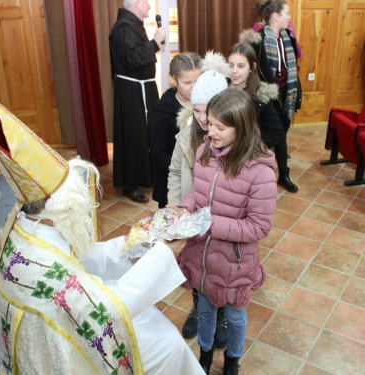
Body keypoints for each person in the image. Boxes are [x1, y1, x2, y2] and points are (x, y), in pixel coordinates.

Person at [0, 83, 205, 375]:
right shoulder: (47, 270)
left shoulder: (25, 224)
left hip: (57, 324)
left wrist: (138, 244)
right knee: (167, 344)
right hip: (61, 350)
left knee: (152, 322)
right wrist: (164, 254)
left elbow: (78, 259)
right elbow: (106, 314)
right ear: (61, 206)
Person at [177, 88, 277, 374]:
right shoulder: (203, 151)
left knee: (235, 315)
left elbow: (259, 226)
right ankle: (205, 354)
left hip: (235, 261)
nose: (211, 132)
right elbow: (197, 196)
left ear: (242, 128)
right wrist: (183, 210)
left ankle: (233, 358)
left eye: (221, 127)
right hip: (203, 255)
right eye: (209, 123)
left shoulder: (260, 173)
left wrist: (210, 224)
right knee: (205, 310)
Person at [167, 52, 230, 349]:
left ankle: (221, 316)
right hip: (191, 215)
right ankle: (198, 306)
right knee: (194, 267)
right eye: (198, 112)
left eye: (209, 112)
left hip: (222, 222)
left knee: (221, 269)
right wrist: (176, 208)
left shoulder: (229, 137)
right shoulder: (186, 135)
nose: (203, 119)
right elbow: (175, 173)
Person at [109, 0, 166, 203]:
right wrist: (154, 43)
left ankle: (143, 176)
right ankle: (130, 185)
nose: (150, 7)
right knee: (133, 135)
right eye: (147, 3)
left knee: (144, 134)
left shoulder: (133, 26)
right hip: (132, 90)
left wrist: (153, 44)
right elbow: (130, 59)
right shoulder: (123, 27)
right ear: (137, 3)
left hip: (142, 87)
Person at [240, 0, 300, 193]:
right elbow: (251, 70)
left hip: (285, 96)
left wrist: (296, 94)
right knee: (270, 136)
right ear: (276, 15)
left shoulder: (287, 37)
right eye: (287, 13)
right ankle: (258, 175)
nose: (289, 17)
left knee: (281, 136)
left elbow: (293, 68)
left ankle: (283, 175)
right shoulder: (257, 39)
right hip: (266, 97)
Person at [151, 52, 201, 208]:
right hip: (172, 184)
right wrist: (185, 173)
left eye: (198, 81)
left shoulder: (206, 105)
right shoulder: (162, 111)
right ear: (173, 79)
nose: (194, 88)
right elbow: (159, 154)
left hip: (202, 183)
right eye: (187, 82)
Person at [228, 42, 285, 157]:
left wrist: (251, 149)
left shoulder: (260, 97)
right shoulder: (219, 89)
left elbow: (277, 133)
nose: (234, 71)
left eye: (240, 66)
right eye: (230, 65)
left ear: (252, 67)